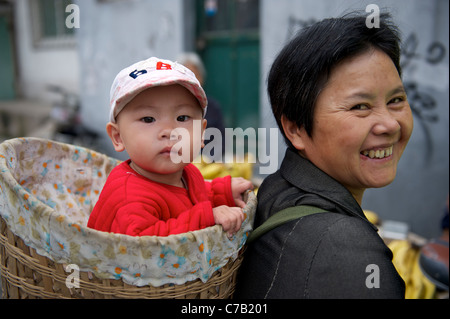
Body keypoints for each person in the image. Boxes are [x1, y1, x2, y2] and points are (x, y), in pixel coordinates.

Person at [235, 13, 412, 299]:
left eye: (396, 100)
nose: (390, 124)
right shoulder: (348, 252)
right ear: (295, 128)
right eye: (360, 107)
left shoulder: (276, 189)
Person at [88, 57, 252, 237]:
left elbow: (196, 194)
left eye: (182, 118)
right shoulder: (128, 196)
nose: (169, 131)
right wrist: (206, 217)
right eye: (148, 119)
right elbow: (146, 248)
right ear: (118, 137)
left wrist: (223, 191)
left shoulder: (188, 172)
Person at [176, 52, 226, 157]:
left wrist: (206, 162)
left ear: (201, 78)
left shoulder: (213, 107)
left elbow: (221, 141)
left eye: (194, 75)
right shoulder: (170, 108)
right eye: (184, 76)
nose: (189, 80)